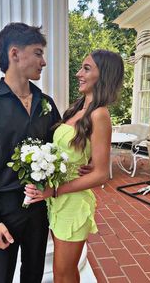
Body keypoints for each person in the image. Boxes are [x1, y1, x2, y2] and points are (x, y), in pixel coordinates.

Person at [0, 22, 61, 283]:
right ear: (14, 54)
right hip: (5, 210)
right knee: (0, 278)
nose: (43, 62)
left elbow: (58, 148)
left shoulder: (46, 103)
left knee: (34, 275)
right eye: (37, 53)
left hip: (39, 207)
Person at [25, 49, 124, 283]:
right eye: (81, 67)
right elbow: (80, 154)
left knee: (63, 273)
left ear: (104, 76)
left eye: (87, 69)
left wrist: (55, 190)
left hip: (73, 202)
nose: (79, 73)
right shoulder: (77, 109)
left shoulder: (100, 115)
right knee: (63, 271)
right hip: (57, 200)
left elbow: (101, 175)